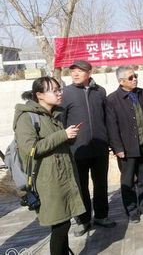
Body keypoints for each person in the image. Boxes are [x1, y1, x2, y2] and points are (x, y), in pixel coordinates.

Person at [15, 77, 84, 255]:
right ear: (39, 95)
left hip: (62, 176)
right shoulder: (26, 118)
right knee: (60, 224)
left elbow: (58, 144)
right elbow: (31, 148)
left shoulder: (54, 115)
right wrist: (62, 135)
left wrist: (70, 136)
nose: (59, 93)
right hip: (47, 181)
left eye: (59, 89)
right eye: (54, 90)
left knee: (64, 222)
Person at [62, 60, 115, 236]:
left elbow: (107, 118)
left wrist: (110, 141)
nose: (75, 74)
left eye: (80, 71)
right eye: (73, 71)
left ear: (89, 72)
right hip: (77, 149)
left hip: (100, 147)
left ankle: (101, 215)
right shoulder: (66, 94)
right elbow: (61, 123)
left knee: (101, 183)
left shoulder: (100, 91)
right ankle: (83, 220)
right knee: (81, 186)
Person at [106, 66, 143, 223]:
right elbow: (112, 126)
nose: (135, 79)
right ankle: (131, 210)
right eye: (130, 78)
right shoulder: (112, 99)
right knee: (128, 181)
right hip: (127, 147)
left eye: (135, 76)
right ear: (121, 81)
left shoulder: (142, 93)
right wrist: (118, 148)